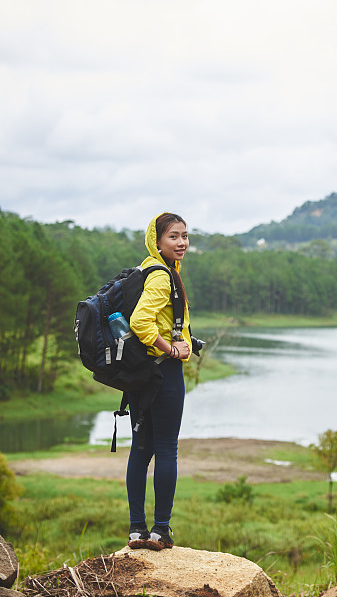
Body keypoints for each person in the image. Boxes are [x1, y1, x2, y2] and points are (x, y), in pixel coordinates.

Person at [126, 211, 192, 550]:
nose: (181, 243)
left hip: (140, 374)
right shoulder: (161, 276)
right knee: (166, 450)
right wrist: (173, 350)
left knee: (141, 450)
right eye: (173, 236)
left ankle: (136, 531)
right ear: (157, 240)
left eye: (185, 236)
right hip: (162, 372)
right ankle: (159, 531)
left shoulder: (147, 268)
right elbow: (141, 322)